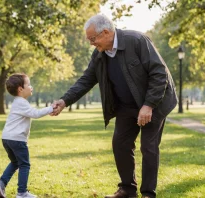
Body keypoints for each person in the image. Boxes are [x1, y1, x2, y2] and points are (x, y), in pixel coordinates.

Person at [51, 13, 177, 198]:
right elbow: (86, 80)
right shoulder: (100, 54)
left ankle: (148, 193)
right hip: (126, 105)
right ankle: (127, 189)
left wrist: (149, 105)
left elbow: (159, 73)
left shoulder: (137, 40)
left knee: (148, 147)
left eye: (93, 39)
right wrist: (64, 101)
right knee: (120, 144)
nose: (91, 43)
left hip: (154, 102)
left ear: (106, 32)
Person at [0, 73, 54, 198]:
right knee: (24, 164)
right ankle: (22, 193)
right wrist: (51, 108)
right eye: (28, 84)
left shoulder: (18, 102)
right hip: (17, 139)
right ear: (20, 89)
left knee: (15, 162)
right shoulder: (21, 102)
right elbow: (35, 113)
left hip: (7, 138)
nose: (31, 87)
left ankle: (1, 183)